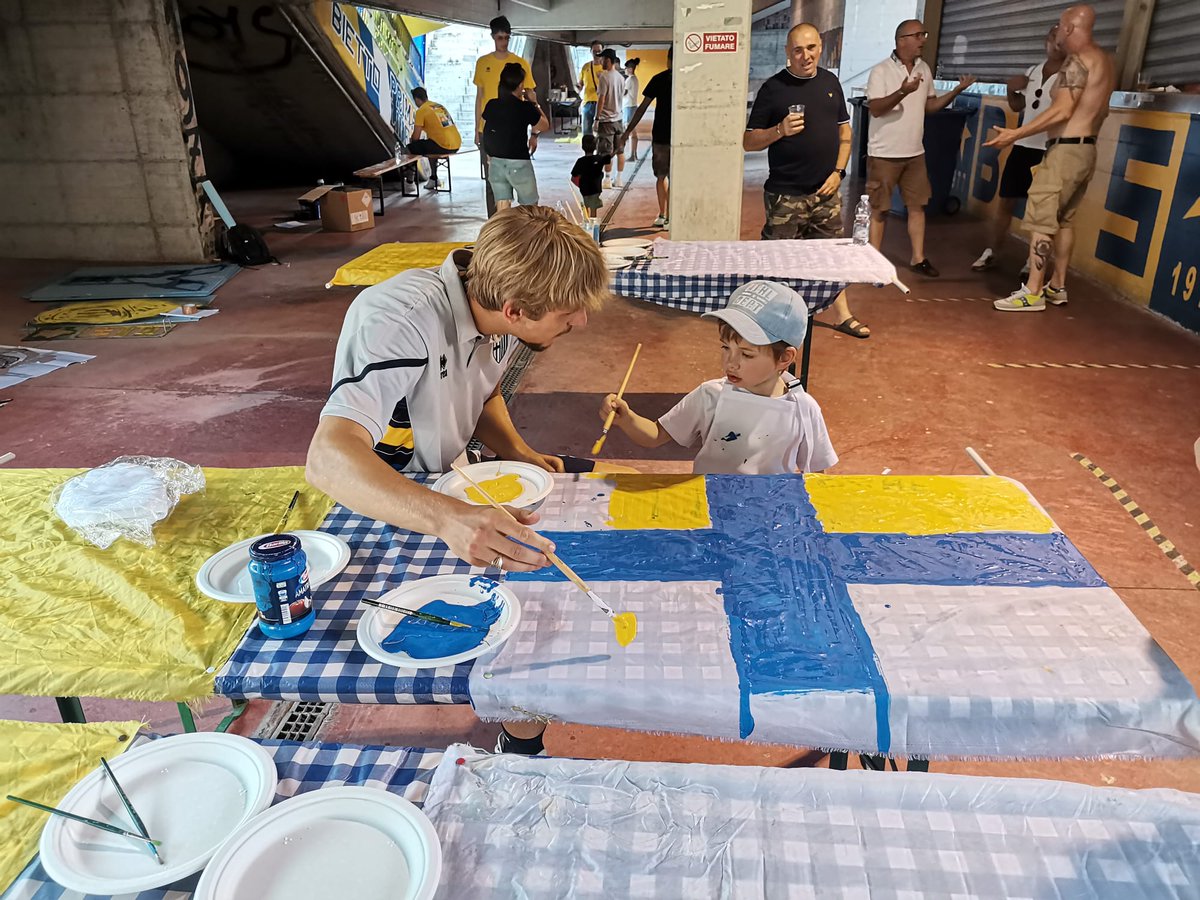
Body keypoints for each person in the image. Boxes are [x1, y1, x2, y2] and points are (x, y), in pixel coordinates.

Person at [307, 206, 606, 757]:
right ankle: (502, 727)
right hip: (388, 500)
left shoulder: (496, 310)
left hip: (453, 482)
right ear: (516, 310)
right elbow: (328, 458)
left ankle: (521, 726)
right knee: (476, 625)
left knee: (550, 572)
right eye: (570, 313)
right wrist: (448, 518)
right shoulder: (397, 320)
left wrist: (517, 452)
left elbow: (484, 388)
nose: (580, 323)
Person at [598, 280, 837, 475]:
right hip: (709, 504)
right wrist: (626, 419)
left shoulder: (803, 409)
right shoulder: (711, 395)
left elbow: (817, 473)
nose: (730, 363)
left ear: (784, 358)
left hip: (767, 516)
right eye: (725, 348)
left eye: (746, 354)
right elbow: (655, 435)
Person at [986, 4, 1116, 311]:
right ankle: (1057, 286)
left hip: (1066, 151)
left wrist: (1014, 135)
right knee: (1064, 220)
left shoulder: (1077, 62)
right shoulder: (1105, 61)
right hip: (1086, 150)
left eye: (1059, 25)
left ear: (1070, 27)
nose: (1057, 32)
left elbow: (1062, 109)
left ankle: (1033, 291)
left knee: (1042, 221)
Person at [744, 23, 869, 340]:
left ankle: (842, 315)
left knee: (830, 257)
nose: (805, 56)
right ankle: (770, 321)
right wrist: (779, 131)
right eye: (798, 49)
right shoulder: (774, 89)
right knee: (777, 262)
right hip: (785, 195)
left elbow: (845, 133)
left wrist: (838, 173)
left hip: (826, 191)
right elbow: (749, 141)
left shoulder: (830, 82)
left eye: (811, 48)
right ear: (788, 52)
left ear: (820, 48)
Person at [865, 21, 975, 277]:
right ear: (901, 39)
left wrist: (957, 90)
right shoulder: (881, 71)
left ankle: (918, 258)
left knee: (917, 206)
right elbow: (876, 109)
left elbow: (930, 107)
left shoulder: (924, 68)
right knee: (879, 209)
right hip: (884, 154)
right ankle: (873, 262)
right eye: (918, 35)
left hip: (915, 153)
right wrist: (902, 92)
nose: (923, 40)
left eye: (924, 34)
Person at [972, 25, 1065, 273]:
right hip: (1022, 146)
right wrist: (1011, 89)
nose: (1053, 43)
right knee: (1006, 202)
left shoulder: (1068, 76)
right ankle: (992, 250)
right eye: (1050, 38)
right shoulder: (1033, 72)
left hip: (1047, 150)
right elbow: (1017, 106)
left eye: (1057, 39)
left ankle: (1032, 262)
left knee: (1041, 211)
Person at [474, 17, 539, 214]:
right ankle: (495, 225)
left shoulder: (519, 64)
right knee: (492, 181)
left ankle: (522, 227)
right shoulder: (483, 62)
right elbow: (480, 97)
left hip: (514, 129)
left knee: (522, 184)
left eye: (507, 38)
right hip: (490, 128)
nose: (504, 42)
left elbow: (531, 97)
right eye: (500, 37)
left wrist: (534, 133)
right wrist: (477, 129)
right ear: (493, 37)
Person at [482, 63, 549, 210]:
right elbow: (544, 125)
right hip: (518, 163)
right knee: (530, 207)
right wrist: (534, 102)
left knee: (502, 208)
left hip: (495, 163)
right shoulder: (525, 107)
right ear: (520, 85)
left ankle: (503, 232)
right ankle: (525, 233)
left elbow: (487, 129)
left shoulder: (492, 104)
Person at [622, 48, 672, 228]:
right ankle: (670, 218)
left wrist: (628, 131)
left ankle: (663, 214)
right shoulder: (688, 80)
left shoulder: (658, 79)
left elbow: (642, 108)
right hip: (681, 137)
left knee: (661, 176)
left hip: (661, 136)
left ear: (668, 60)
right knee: (675, 178)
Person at [407, 88, 462, 189]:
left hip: (444, 146)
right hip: (456, 143)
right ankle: (433, 178)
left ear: (417, 100)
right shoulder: (438, 106)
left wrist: (412, 143)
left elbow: (416, 136)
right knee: (430, 146)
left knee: (411, 147)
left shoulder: (421, 110)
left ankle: (410, 183)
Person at [594, 48, 626, 190]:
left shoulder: (604, 77)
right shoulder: (620, 77)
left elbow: (601, 99)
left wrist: (596, 119)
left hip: (606, 120)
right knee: (620, 151)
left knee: (606, 152)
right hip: (619, 120)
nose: (600, 61)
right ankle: (619, 179)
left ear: (608, 60)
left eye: (602, 59)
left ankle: (607, 180)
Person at [571, 134, 610, 219]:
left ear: (582, 147)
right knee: (593, 207)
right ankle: (593, 223)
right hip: (596, 188)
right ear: (595, 147)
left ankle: (587, 222)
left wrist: (580, 184)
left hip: (585, 189)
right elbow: (608, 158)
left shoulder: (580, 161)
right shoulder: (599, 159)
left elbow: (573, 177)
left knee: (586, 206)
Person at [577, 41, 604, 137]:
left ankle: (600, 151)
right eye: (594, 51)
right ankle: (588, 151)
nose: (597, 53)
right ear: (590, 51)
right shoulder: (586, 67)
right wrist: (578, 88)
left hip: (602, 104)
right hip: (587, 104)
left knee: (601, 133)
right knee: (587, 134)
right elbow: (580, 85)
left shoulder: (605, 68)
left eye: (599, 51)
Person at [623, 58, 641, 161]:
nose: (625, 70)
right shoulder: (635, 79)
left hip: (628, 106)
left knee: (630, 130)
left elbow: (624, 93)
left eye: (626, 68)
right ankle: (634, 153)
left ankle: (632, 155)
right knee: (632, 130)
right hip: (632, 105)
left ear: (630, 69)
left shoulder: (629, 79)